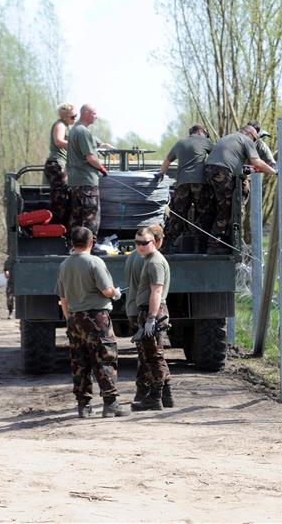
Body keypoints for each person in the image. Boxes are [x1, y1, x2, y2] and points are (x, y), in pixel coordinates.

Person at [55, 226, 128, 418]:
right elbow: (106, 290)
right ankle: (110, 404)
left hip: (75, 318)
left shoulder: (64, 265)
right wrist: (116, 293)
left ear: (72, 242)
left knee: (79, 362)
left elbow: (63, 298)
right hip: (96, 317)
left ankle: (84, 406)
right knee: (104, 358)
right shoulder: (95, 262)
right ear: (91, 242)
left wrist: (69, 318)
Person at [203, 124, 276, 255]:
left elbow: (234, 164)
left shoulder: (228, 138)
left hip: (208, 171)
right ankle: (214, 243)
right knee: (227, 207)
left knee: (216, 205)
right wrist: (274, 172)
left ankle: (214, 239)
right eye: (255, 139)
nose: (254, 143)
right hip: (222, 172)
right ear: (250, 135)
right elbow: (257, 162)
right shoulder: (247, 140)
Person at [130, 224, 174, 411]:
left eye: (144, 243)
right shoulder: (149, 259)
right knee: (156, 356)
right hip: (149, 310)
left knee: (153, 358)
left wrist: (151, 318)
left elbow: (156, 291)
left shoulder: (155, 261)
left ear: (155, 242)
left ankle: (155, 397)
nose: (140, 246)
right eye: (137, 243)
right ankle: (166, 395)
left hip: (152, 311)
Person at [157, 124, 214, 253]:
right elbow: (217, 155)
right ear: (201, 132)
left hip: (182, 184)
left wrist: (161, 175)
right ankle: (201, 247)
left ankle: (167, 247)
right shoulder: (205, 141)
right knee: (203, 214)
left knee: (177, 215)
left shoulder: (180, 143)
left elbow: (167, 160)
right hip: (199, 183)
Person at [66, 104, 110, 241]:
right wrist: (102, 168)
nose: (96, 117)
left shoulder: (74, 130)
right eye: (94, 113)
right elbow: (90, 158)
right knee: (91, 217)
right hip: (87, 182)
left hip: (75, 182)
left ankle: (74, 246)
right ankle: (90, 246)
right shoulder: (83, 132)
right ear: (85, 113)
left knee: (77, 218)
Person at [43, 103, 76, 230]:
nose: (74, 118)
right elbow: (58, 141)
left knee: (63, 197)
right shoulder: (60, 125)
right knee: (60, 200)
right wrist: (75, 145)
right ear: (65, 116)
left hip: (61, 164)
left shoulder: (66, 126)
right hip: (56, 164)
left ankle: (60, 227)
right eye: (72, 116)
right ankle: (57, 228)